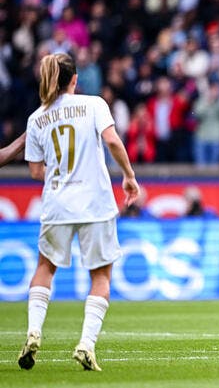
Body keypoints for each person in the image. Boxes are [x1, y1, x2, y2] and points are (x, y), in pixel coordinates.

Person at [19, 53, 140, 371]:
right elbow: (112, 141)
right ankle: (86, 344)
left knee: (45, 267)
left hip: (57, 203)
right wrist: (128, 176)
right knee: (100, 276)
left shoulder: (37, 118)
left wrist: (63, 174)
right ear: (74, 79)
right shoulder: (94, 104)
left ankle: (33, 331)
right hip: (96, 203)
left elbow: (35, 172)